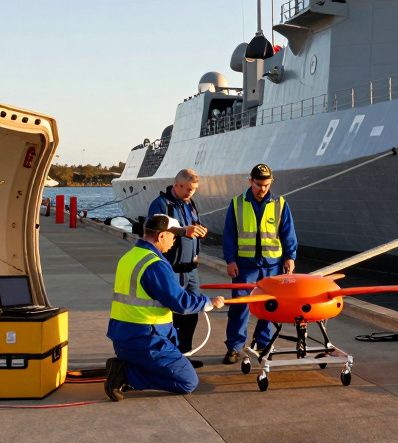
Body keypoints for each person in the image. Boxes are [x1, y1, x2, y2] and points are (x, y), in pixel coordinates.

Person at [104, 214, 224, 401]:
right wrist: (208, 303)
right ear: (161, 236)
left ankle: (128, 367)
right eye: (173, 235)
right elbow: (179, 302)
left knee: (178, 367)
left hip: (123, 338)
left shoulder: (129, 257)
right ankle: (126, 374)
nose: (175, 240)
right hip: (146, 339)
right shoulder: (155, 264)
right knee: (188, 381)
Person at [221, 163, 297, 364]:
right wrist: (230, 260)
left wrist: (290, 257)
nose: (262, 189)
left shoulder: (280, 204)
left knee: (269, 306)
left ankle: (263, 342)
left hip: (272, 265)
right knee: (240, 307)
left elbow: (288, 234)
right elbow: (229, 235)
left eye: (266, 184)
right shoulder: (237, 204)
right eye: (258, 185)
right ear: (250, 182)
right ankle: (234, 347)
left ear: (271, 182)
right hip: (244, 266)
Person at [146, 168, 207, 361]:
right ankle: (169, 355)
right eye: (188, 189)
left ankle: (185, 354)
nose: (191, 193)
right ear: (176, 185)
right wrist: (183, 231)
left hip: (190, 269)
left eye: (194, 189)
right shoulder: (162, 204)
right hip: (171, 268)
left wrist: (199, 233)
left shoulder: (190, 204)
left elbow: (192, 227)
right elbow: (154, 230)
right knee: (171, 314)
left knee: (192, 312)